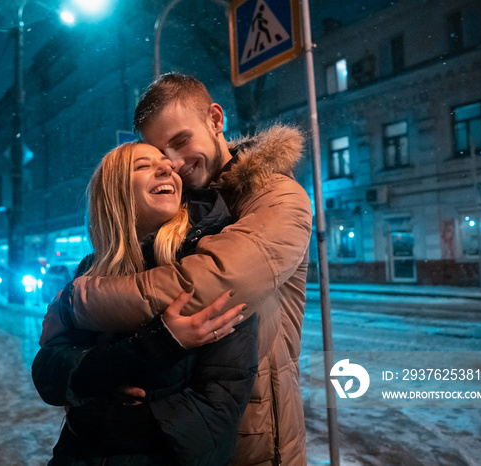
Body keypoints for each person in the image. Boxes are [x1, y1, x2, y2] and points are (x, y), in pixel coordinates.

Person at [43, 73, 313, 465]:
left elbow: (209, 285)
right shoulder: (178, 222)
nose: (173, 163)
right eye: (157, 151)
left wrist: (76, 300)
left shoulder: (277, 197)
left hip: (254, 443)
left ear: (216, 120)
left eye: (181, 141)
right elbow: (55, 367)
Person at [33, 142, 259, 465]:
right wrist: (148, 350)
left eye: (166, 163)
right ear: (114, 193)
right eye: (143, 166)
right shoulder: (91, 271)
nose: (168, 168)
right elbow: (47, 372)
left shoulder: (209, 264)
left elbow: (214, 417)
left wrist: (97, 419)